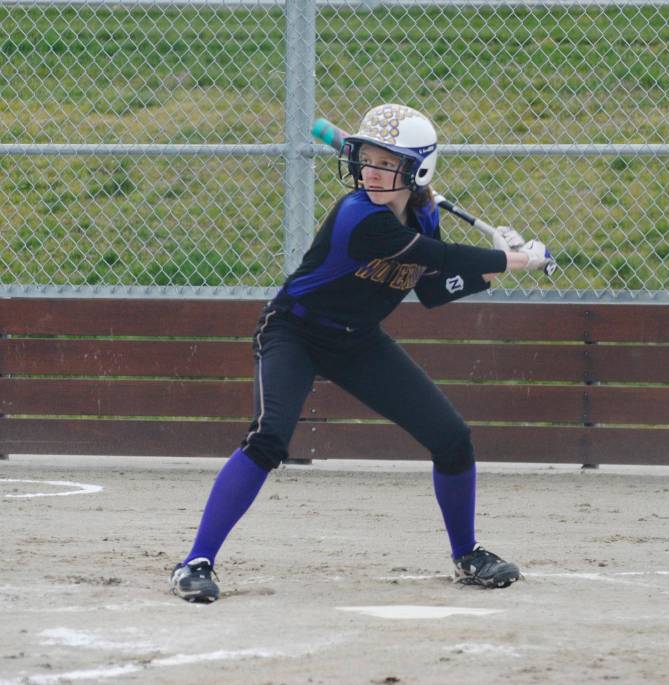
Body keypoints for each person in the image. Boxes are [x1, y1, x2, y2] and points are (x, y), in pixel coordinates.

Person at [169, 103, 552, 602]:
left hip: (357, 340)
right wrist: (516, 258)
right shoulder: (359, 216)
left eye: (385, 163)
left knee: (452, 437)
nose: (369, 172)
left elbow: (433, 287)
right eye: (366, 159)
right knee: (268, 439)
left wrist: (490, 271)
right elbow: (438, 255)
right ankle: (195, 562)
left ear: (417, 171)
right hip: (294, 330)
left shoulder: (423, 214)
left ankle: (467, 555)